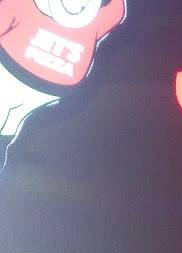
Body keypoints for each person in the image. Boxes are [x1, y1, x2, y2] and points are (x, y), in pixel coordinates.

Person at [0, 0, 126, 170]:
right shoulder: (99, 16)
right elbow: (116, 11)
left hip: (11, 70)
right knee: (13, 119)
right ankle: (5, 151)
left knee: (6, 113)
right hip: (54, 86)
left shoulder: (22, 3)